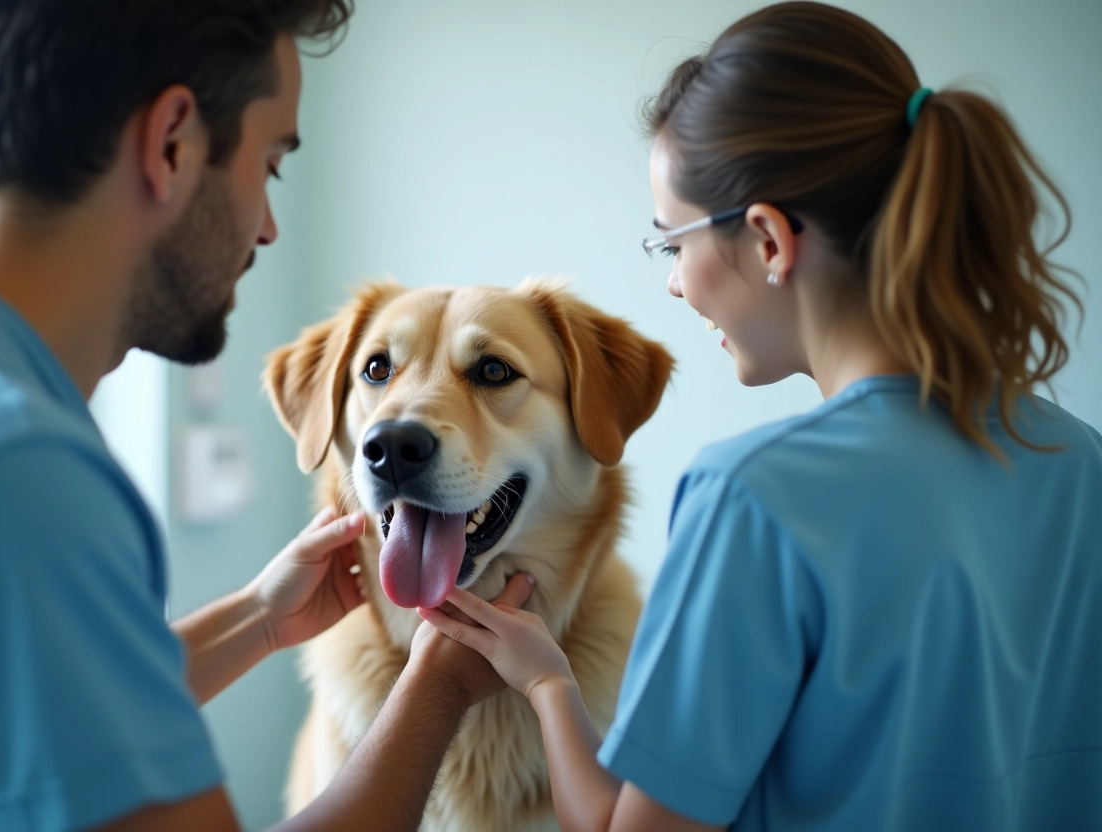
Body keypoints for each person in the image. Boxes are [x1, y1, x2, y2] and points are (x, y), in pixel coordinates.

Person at [421, 3, 1102, 830]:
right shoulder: (1077, 461)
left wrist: (548, 685)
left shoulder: (753, 495)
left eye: (672, 244)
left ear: (770, 240)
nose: (675, 284)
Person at [0, 2, 534, 831]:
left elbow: (23, 702)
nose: (267, 227)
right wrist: (437, 689)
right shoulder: (18, 468)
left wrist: (259, 617)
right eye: (269, 165)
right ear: (172, 144)